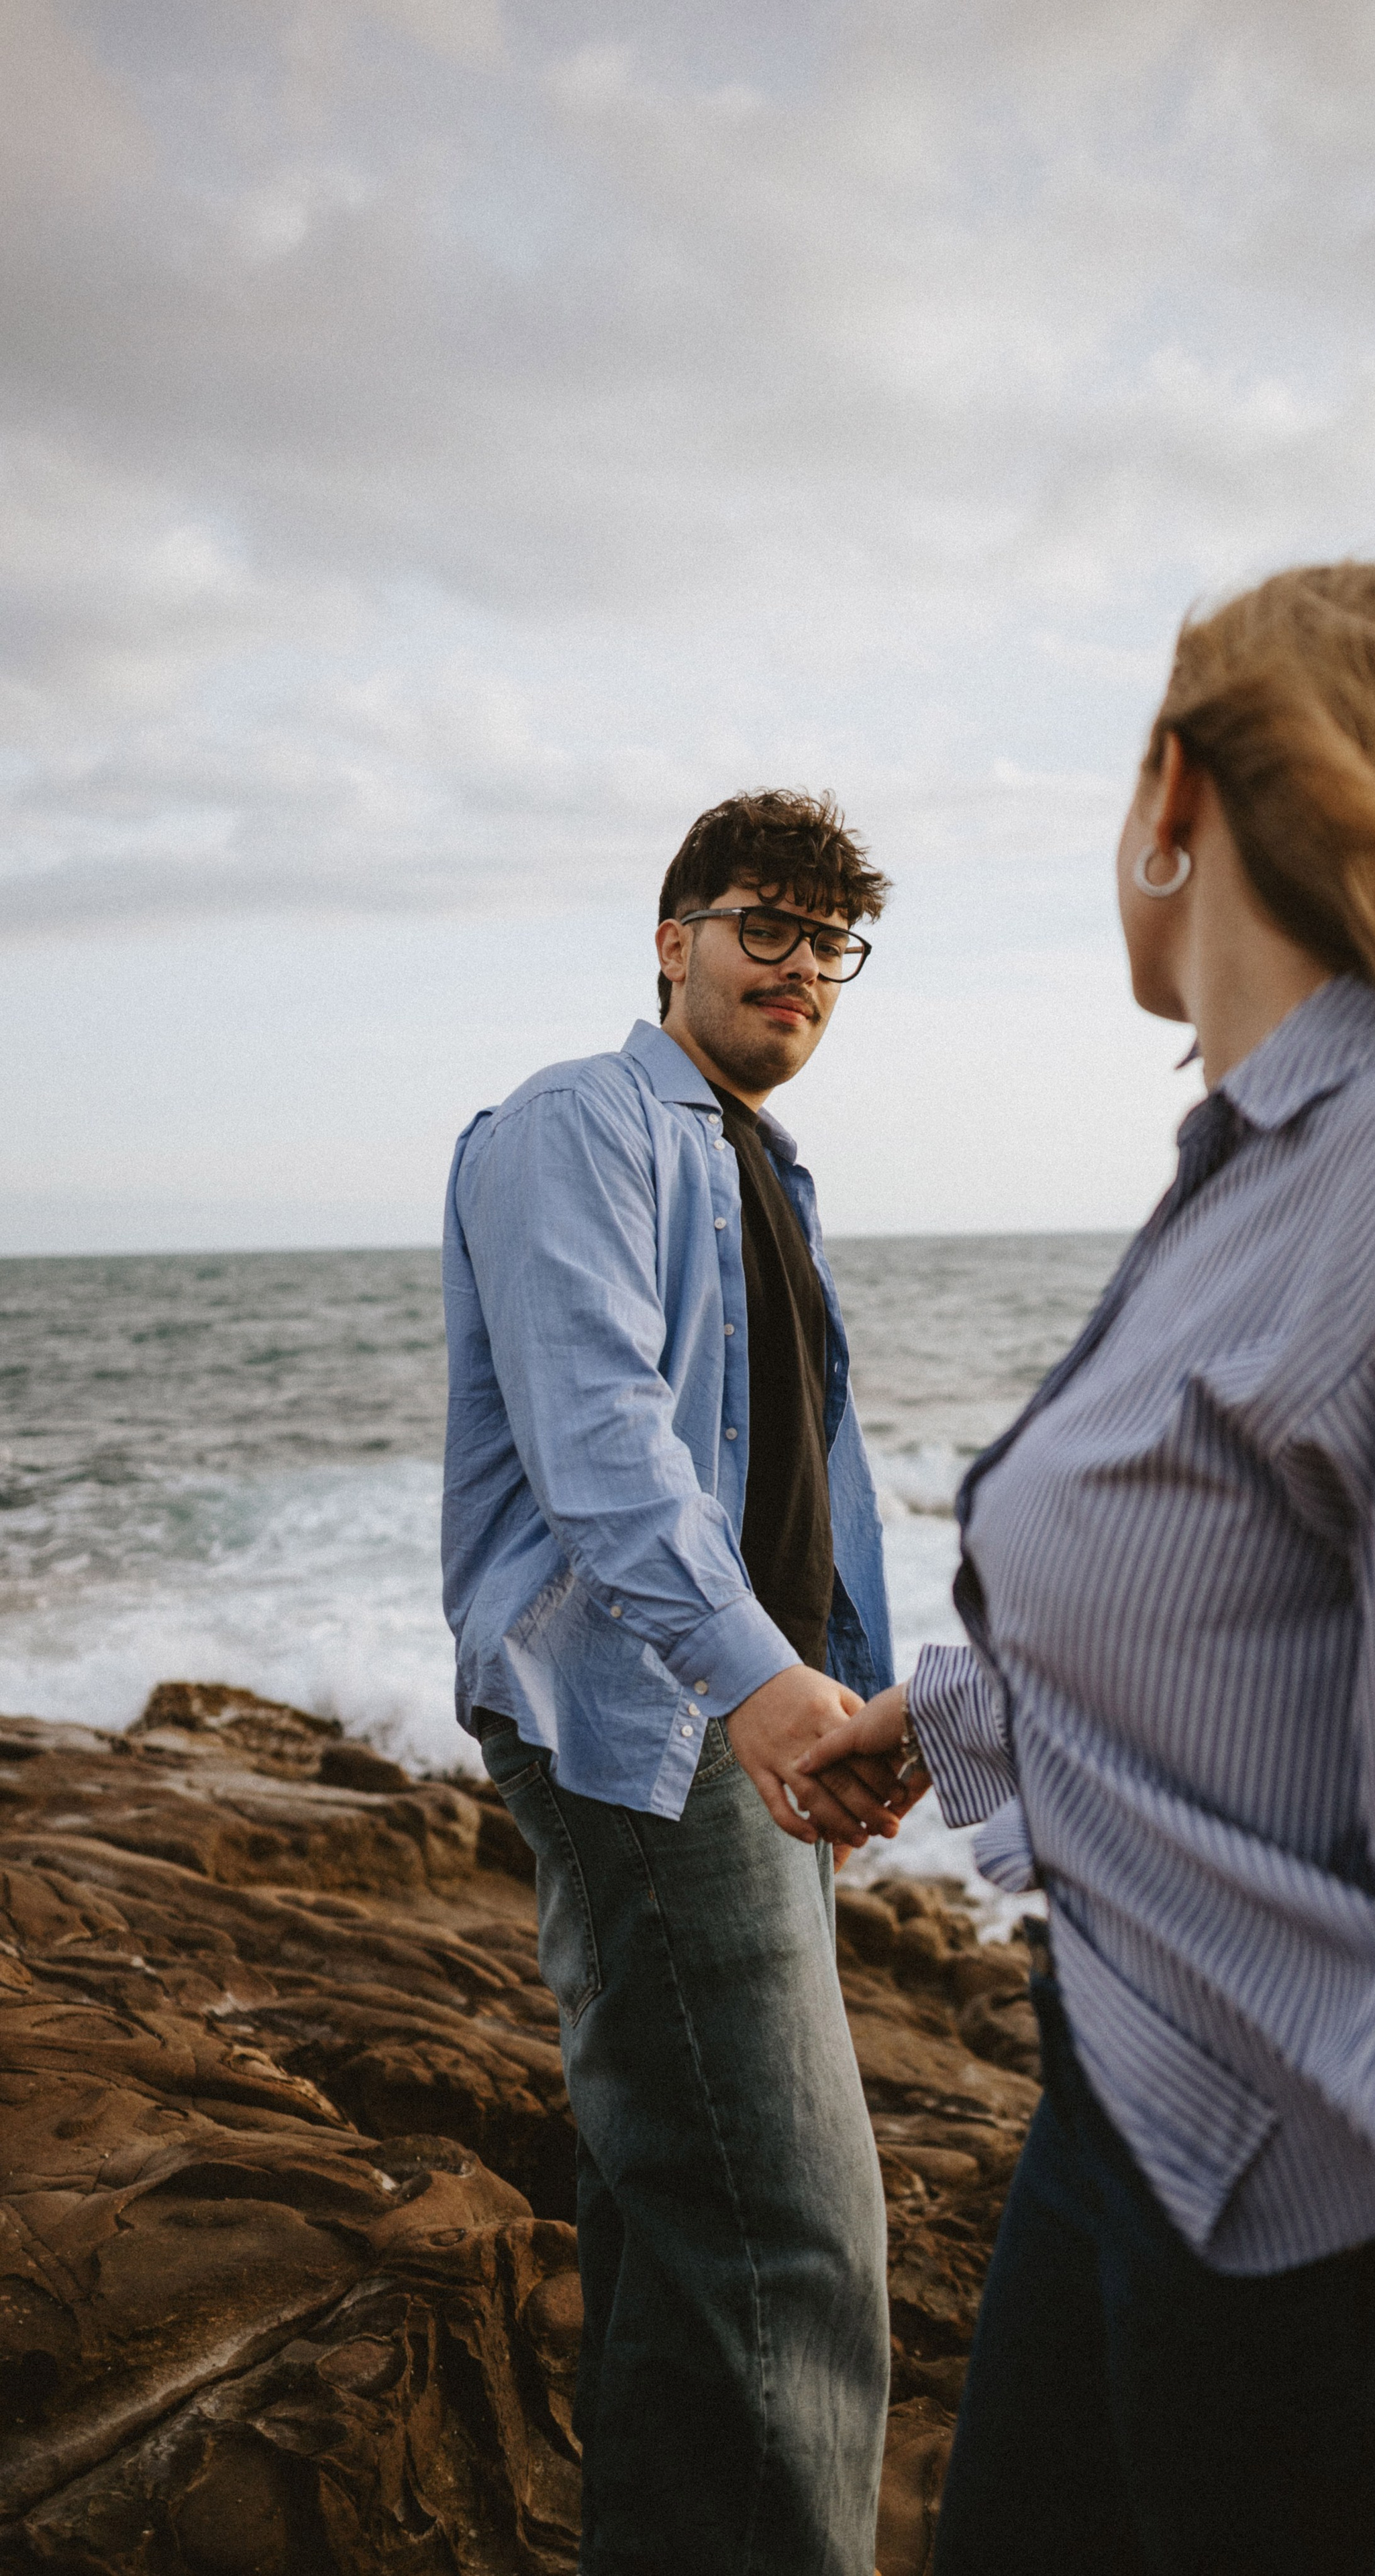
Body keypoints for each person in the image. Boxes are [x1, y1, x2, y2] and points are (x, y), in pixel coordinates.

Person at [800, 566, 1375, 2576]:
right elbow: (1225, 1624)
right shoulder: (1267, 1165)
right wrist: (946, 1716)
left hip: (1323, 2251)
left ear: (1178, 791)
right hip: (1128, 2124)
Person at [441, 789, 912, 2576]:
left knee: (678, 2221)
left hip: (738, 1719)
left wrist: (839, 1707)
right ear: (672, 941)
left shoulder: (761, 1168)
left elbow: (802, 1475)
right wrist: (758, 1692)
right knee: (795, 2248)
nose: (801, 966)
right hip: (650, 1716)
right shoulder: (584, 1123)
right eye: (762, 926)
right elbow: (605, 1446)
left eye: (829, 942)